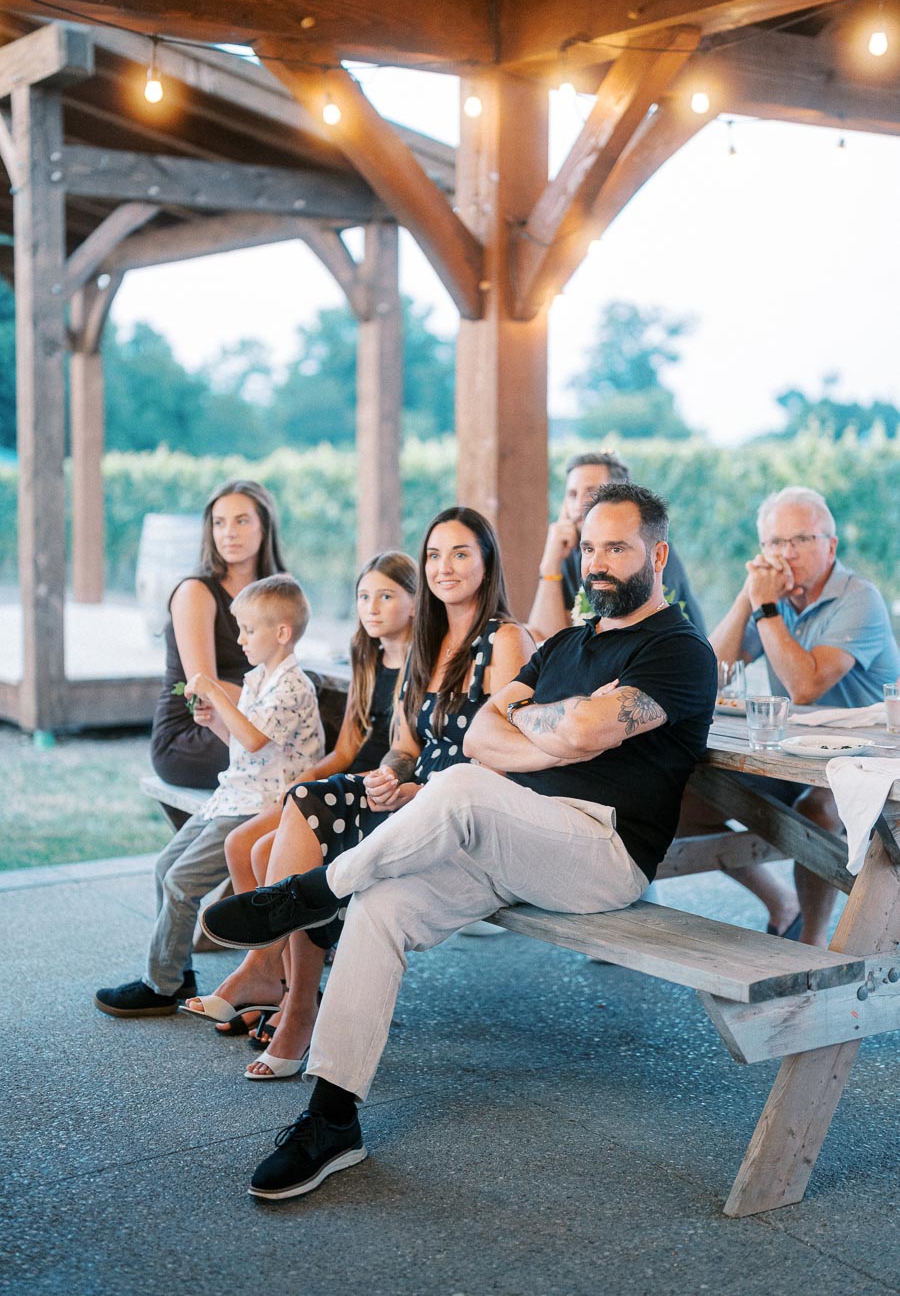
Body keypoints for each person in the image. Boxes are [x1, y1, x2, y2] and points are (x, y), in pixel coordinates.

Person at [199, 483, 717, 1198]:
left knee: (466, 786)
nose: (597, 563)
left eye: (617, 548)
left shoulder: (680, 649)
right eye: (590, 547)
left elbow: (587, 731)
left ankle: (313, 892)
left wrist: (554, 730)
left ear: (656, 554)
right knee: (382, 906)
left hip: (603, 852)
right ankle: (331, 1117)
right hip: (511, 837)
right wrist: (559, 737)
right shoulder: (567, 643)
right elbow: (481, 732)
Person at [183, 507, 535, 1078]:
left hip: (463, 809)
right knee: (306, 803)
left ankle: (286, 993)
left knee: (312, 834)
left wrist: (418, 784)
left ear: (487, 562)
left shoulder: (505, 639)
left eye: (461, 553)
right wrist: (394, 773)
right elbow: (403, 741)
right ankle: (285, 987)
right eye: (434, 555)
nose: (445, 567)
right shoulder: (431, 642)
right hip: (412, 794)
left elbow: (499, 748)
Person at [197, 550, 418, 1040]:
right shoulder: (368, 658)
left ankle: (280, 982)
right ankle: (274, 979)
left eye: (386, 595)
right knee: (240, 844)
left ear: (415, 602)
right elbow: (345, 751)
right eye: (364, 596)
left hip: (379, 790)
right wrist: (302, 786)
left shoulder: (423, 666)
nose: (372, 607)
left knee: (263, 850)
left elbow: (405, 753)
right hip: (341, 783)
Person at [94, 575, 325, 1018]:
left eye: (248, 630)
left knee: (182, 883)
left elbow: (256, 741)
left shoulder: (294, 686)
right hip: (234, 795)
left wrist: (218, 693)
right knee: (166, 867)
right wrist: (214, 722)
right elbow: (244, 743)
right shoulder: (259, 679)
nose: (239, 640)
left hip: (263, 805)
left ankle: (159, 986)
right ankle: (177, 975)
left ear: (282, 633)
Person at [706, 484, 900, 947]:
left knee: (816, 811)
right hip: (794, 756)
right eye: (773, 543)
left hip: (871, 764)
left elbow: (806, 685)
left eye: (799, 540)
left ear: (830, 545)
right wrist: (747, 598)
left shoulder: (860, 598)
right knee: (691, 800)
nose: (785, 554)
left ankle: (809, 951)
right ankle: (781, 903)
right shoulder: (772, 599)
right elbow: (709, 675)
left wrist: (766, 607)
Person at [149, 479, 286, 824]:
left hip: (251, 722)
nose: (229, 533)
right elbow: (202, 687)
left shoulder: (279, 591)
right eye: (219, 522)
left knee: (311, 742)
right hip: (193, 732)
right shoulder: (195, 592)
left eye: (242, 521)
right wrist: (273, 706)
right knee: (297, 752)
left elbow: (284, 669)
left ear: (264, 526)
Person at [528, 451, 705, 641]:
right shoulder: (569, 552)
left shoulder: (646, 552)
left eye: (591, 493)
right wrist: (549, 566)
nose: (579, 504)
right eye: (572, 494)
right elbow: (546, 641)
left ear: (619, 497)